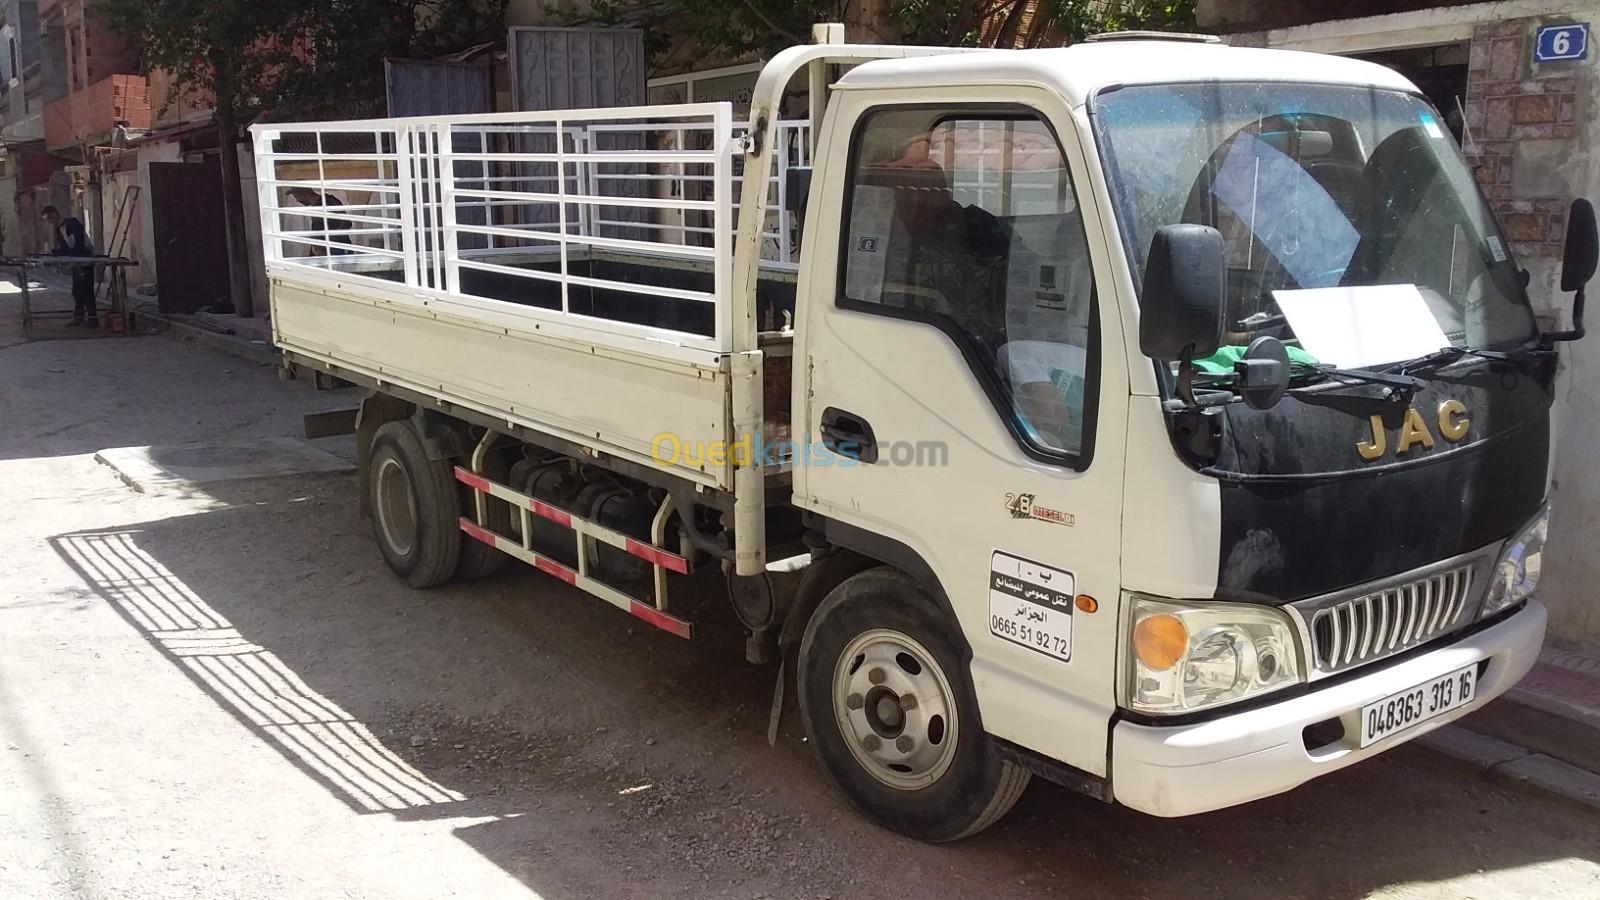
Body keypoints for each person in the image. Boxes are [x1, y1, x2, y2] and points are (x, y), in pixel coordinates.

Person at [42, 205, 97, 327]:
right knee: (77, 290)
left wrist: (69, 254)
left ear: (55, 214)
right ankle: (79, 317)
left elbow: (80, 243)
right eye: (48, 220)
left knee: (87, 289)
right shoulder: (59, 230)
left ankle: (93, 319)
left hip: (84, 258)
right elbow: (65, 247)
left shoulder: (72, 223)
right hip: (75, 261)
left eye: (51, 218)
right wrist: (55, 253)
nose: (51, 222)